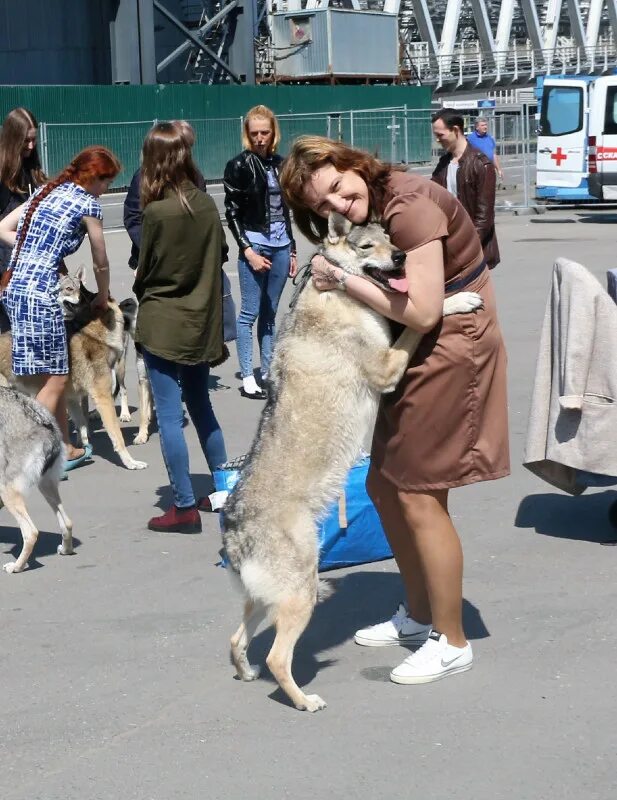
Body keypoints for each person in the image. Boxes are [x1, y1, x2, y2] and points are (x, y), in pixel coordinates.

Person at [279, 136, 510, 685]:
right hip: (412, 346)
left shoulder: (407, 207)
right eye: (322, 205)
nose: (336, 204)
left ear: (350, 164)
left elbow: (426, 310)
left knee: (421, 494)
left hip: (452, 344)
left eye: (336, 187)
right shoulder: (379, 202)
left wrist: (344, 279)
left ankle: (451, 640)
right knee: (385, 484)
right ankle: (419, 613)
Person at [133, 121, 228, 534]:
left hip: (163, 320)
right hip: (200, 318)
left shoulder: (156, 212)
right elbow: (220, 254)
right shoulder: (206, 205)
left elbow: (146, 268)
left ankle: (184, 504)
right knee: (201, 405)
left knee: (169, 417)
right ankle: (224, 488)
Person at [0, 146, 119, 467]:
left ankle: (64, 447)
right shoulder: (88, 204)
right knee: (58, 380)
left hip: (14, 288)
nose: (106, 189)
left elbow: (2, 229)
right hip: (41, 292)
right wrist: (102, 294)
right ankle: (21, 451)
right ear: (94, 177)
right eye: (107, 182)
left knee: (46, 375)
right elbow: (101, 260)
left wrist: (33, 250)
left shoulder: (44, 191)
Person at [223, 105, 297, 400]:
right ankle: (248, 377)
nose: (259, 138)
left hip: (280, 245)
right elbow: (231, 212)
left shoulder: (282, 164)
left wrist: (291, 249)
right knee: (249, 313)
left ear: (273, 132)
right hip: (255, 243)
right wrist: (248, 250)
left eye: (264, 132)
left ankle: (267, 371)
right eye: (254, 133)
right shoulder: (239, 165)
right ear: (247, 135)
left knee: (270, 313)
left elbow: (287, 210)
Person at [123, 120, 208, 271]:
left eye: (189, 146)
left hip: (189, 259)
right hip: (152, 260)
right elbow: (133, 218)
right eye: (180, 147)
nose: (184, 152)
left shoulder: (196, 176)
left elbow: (202, 217)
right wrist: (153, 252)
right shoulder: (144, 177)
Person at [431, 108, 500, 270]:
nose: (437, 140)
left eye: (440, 135)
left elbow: (484, 216)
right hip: (449, 245)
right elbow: (431, 195)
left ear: (455, 130)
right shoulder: (444, 163)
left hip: (473, 251)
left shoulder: (481, 164)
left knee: (472, 295)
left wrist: (467, 248)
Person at [0, 107, 47, 331]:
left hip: (31, 267)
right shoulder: (2, 173)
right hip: (6, 271)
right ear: (13, 139)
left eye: (34, 140)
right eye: (26, 141)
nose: (31, 146)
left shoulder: (32, 169)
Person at [467, 115, 503, 180]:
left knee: (489, 189)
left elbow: (493, 155)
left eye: (486, 125)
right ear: (477, 127)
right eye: (482, 125)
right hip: (476, 171)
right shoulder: (470, 139)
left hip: (489, 169)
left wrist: (499, 170)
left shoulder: (490, 138)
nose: (485, 127)